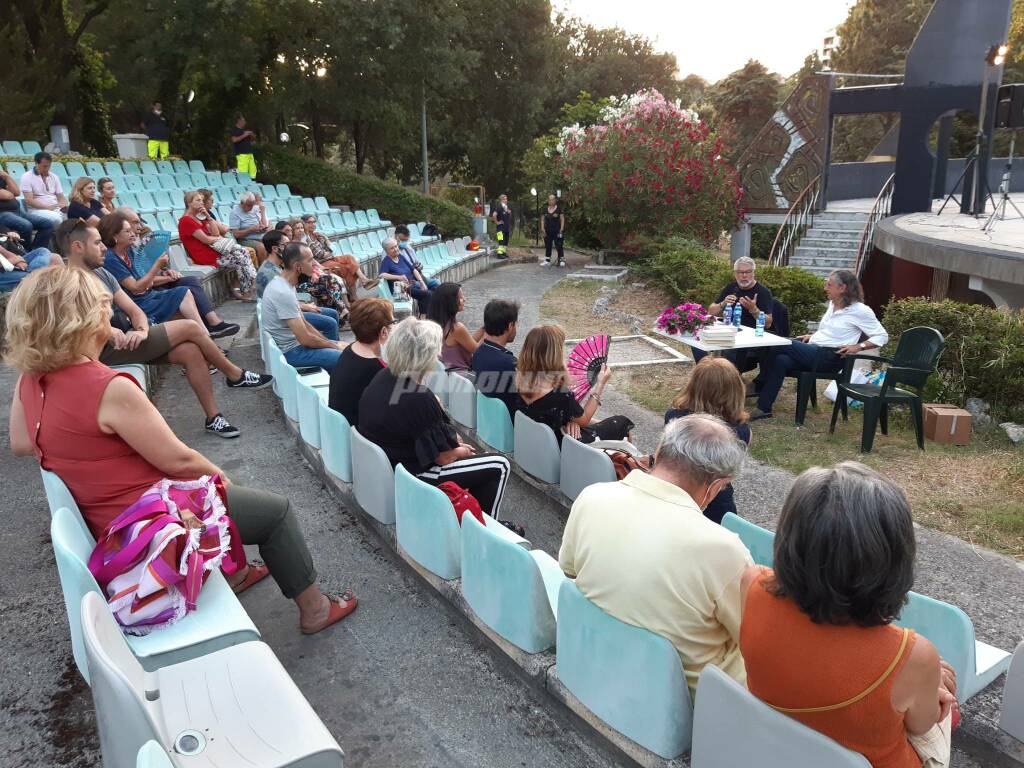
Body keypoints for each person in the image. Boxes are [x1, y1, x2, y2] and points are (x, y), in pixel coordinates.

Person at [7, 266, 356, 633]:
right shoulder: (109, 388)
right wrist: (225, 482)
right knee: (274, 512)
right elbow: (181, 460)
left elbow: (21, 442)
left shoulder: (31, 380)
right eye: (103, 307)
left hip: (111, 523)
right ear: (86, 319)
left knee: (224, 499)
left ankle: (235, 576)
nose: (109, 315)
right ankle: (315, 608)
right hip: (151, 527)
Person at [740, 462, 954, 768]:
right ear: (893, 558)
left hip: (776, 749)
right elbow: (921, 725)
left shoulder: (751, 583)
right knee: (948, 709)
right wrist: (932, 683)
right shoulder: (913, 655)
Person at [559, 413, 752, 696]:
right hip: (681, 701)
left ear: (658, 452)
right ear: (716, 486)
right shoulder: (724, 550)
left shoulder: (592, 497)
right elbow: (751, 639)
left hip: (600, 661)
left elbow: (569, 570)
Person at [58, 219, 271, 437]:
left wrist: (140, 329)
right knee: (190, 327)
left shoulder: (101, 273)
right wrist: (110, 331)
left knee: (190, 351)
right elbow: (78, 327)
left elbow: (133, 309)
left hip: (128, 340)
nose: (104, 247)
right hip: (101, 352)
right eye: (97, 243)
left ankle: (213, 418)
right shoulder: (66, 283)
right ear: (78, 247)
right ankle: (234, 375)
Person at [358, 318, 511, 517]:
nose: (439, 354)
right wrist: (461, 452)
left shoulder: (383, 376)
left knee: (475, 464)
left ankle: (472, 516)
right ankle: (485, 531)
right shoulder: (418, 396)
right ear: (424, 356)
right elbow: (443, 457)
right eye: (435, 350)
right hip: (413, 475)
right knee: (499, 464)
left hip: (389, 467)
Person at [751, 269, 888, 420]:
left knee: (778, 343)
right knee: (780, 360)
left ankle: (757, 384)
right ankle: (763, 408)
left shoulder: (860, 310)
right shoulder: (832, 304)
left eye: (829, 285)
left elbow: (882, 336)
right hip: (814, 350)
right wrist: (812, 336)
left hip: (831, 357)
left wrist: (858, 347)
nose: (825, 288)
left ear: (842, 288)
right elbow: (829, 332)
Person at [118, 206, 238, 337]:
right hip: (147, 292)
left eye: (139, 222)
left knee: (190, 281)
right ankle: (207, 334)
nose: (140, 226)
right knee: (185, 294)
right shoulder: (124, 251)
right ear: (122, 225)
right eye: (135, 222)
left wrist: (166, 271)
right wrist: (165, 274)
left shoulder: (132, 248)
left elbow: (147, 270)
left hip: (152, 284)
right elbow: (140, 283)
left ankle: (213, 324)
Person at [665, 358, 750, 524]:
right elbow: (730, 471)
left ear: (693, 385)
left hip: (676, 492)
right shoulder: (741, 430)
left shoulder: (674, 417)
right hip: (717, 500)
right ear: (736, 389)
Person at [516, 324, 633, 445]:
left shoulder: (519, 379)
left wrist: (568, 420)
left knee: (602, 422)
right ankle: (626, 462)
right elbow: (585, 420)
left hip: (534, 442)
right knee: (622, 424)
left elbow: (546, 413)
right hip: (561, 446)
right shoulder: (559, 393)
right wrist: (600, 384)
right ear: (555, 354)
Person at [99, 212, 208, 328]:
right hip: (136, 303)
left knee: (185, 293)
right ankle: (205, 333)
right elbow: (135, 287)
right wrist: (157, 266)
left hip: (147, 296)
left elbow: (143, 277)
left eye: (131, 230)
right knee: (183, 295)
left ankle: (204, 332)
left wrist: (163, 273)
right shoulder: (110, 258)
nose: (133, 234)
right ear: (114, 236)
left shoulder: (128, 251)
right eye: (127, 231)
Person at [262, 242, 345, 371]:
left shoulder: (286, 284)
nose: (314, 263)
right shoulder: (283, 292)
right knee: (345, 357)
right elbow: (305, 339)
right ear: (298, 267)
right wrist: (334, 346)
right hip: (291, 352)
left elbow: (305, 324)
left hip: (295, 346)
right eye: (310, 260)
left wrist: (329, 344)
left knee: (346, 349)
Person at [697, 256, 775, 380]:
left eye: (747, 272)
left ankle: (726, 382)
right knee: (697, 340)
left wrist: (753, 309)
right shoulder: (731, 288)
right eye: (740, 272)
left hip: (749, 340)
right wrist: (723, 303)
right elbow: (710, 311)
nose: (744, 276)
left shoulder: (762, 292)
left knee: (728, 350)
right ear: (735, 274)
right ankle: (707, 376)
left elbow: (768, 323)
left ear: (753, 273)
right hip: (729, 332)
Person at [257, 230, 341, 339]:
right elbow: (277, 303)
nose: (289, 249)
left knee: (333, 313)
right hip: (283, 316)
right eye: (286, 245)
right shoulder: (268, 273)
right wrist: (305, 306)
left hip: (290, 306)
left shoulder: (276, 266)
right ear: (275, 249)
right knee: (330, 323)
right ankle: (332, 350)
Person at [178, 190, 257, 300]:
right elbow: (206, 240)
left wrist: (208, 217)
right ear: (189, 203)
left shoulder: (199, 217)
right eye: (198, 200)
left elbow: (215, 233)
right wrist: (218, 238)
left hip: (213, 252)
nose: (201, 202)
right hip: (205, 256)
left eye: (202, 200)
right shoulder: (186, 221)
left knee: (242, 251)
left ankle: (250, 287)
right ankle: (249, 289)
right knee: (240, 255)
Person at [328, 298, 394, 427]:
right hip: (360, 434)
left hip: (341, 426)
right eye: (393, 322)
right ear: (384, 332)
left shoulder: (350, 349)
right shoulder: (378, 370)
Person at [471, 299, 520, 416]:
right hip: (507, 425)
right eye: (516, 324)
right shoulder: (509, 363)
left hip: (487, 419)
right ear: (510, 326)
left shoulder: (478, 353)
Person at [427, 282, 484, 372]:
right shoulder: (456, 328)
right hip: (460, 377)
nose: (464, 299)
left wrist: (484, 329)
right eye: (460, 297)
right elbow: (478, 352)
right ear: (450, 301)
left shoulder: (436, 325)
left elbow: (467, 342)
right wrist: (490, 332)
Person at [0, 167, 54, 250]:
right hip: (3, 214)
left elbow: (17, 192)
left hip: (18, 212)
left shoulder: (2, 177)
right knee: (26, 225)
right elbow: (9, 195)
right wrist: (9, 192)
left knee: (47, 223)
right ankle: (24, 252)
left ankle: (37, 250)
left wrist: (7, 177)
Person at [379, 237, 432, 316]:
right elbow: (382, 274)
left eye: (396, 246)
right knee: (428, 294)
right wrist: (398, 277)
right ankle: (423, 317)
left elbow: (413, 270)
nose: (396, 249)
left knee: (431, 291)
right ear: (386, 251)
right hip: (402, 290)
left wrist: (421, 282)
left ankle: (424, 316)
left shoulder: (400, 256)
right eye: (392, 248)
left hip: (412, 285)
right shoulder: (386, 261)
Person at [20, 152, 68, 227]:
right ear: (36, 163)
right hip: (36, 210)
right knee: (57, 218)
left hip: (55, 208)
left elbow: (60, 196)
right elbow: (29, 200)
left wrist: (64, 205)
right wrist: (48, 207)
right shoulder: (26, 177)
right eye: (45, 166)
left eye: (49, 166)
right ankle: (57, 237)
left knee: (73, 214)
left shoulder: (54, 176)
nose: (47, 168)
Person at [394, 224, 439, 289]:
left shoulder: (408, 247)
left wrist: (419, 266)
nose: (404, 242)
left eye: (406, 240)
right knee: (421, 287)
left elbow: (417, 262)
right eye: (402, 240)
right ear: (396, 237)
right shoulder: (390, 249)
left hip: (417, 275)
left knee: (436, 283)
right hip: (407, 279)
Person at [229, 192, 269, 263]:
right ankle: (263, 272)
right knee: (261, 247)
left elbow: (264, 225)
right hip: (245, 239)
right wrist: (251, 230)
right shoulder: (234, 212)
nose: (251, 208)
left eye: (252, 205)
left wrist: (262, 227)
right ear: (242, 202)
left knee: (277, 241)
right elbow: (236, 234)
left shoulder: (255, 208)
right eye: (249, 205)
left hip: (260, 236)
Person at [541, 193, 565, 268]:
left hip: (557, 230)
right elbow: (542, 219)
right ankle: (547, 260)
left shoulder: (559, 209)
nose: (551, 201)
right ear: (548, 201)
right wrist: (542, 228)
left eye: (552, 200)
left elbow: (562, 219)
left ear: (555, 200)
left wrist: (561, 228)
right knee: (548, 245)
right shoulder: (545, 209)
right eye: (550, 200)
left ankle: (561, 260)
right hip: (547, 231)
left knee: (559, 245)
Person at [231, 115, 257, 179]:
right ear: (239, 121)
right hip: (242, 154)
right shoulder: (235, 130)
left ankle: (252, 182)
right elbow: (234, 140)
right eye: (243, 121)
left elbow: (253, 139)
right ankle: (243, 184)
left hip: (249, 153)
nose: (245, 122)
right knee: (243, 171)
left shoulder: (244, 130)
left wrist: (251, 134)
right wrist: (244, 135)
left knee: (253, 170)